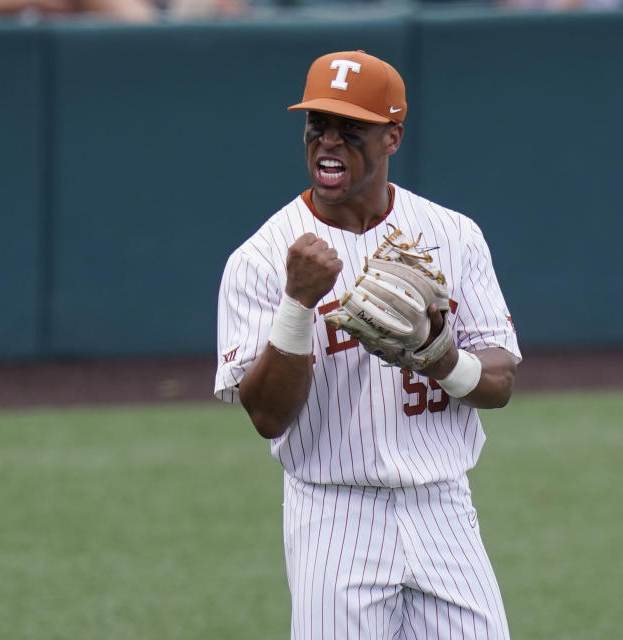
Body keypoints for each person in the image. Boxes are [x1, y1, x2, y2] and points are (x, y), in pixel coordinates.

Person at [215, 49, 521, 639]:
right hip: (334, 516)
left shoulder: (453, 235)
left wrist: (440, 355)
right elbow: (268, 416)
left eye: (350, 130)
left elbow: (500, 383)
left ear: (392, 138)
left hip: (444, 508)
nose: (328, 143)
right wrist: (297, 304)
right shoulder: (260, 258)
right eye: (317, 127)